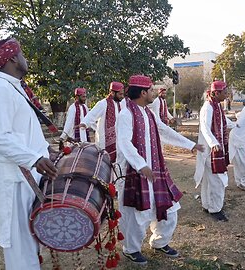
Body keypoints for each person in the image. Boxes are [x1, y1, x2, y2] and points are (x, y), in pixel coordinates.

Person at [0, 37, 58, 270]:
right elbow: (0, 137)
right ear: (13, 58)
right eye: (22, 54)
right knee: (19, 246)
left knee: (29, 240)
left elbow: (23, 132)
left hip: (26, 176)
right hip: (14, 180)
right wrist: (34, 158)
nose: (25, 59)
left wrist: (45, 149)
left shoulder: (13, 87)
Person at [115, 75, 204, 265]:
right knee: (138, 215)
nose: (155, 92)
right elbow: (124, 142)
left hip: (155, 170)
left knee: (169, 209)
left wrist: (190, 145)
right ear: (143, 92)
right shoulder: (126, 115)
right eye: (152, 89)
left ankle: (159, 242)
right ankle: (131, 249)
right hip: (135, 172)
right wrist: (141, 165)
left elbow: (163, 131)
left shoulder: (148, 113)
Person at [194, 80, 236, 222]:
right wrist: (213, 143)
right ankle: (215, 210)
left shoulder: (216, 105)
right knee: (217, 180)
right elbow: (205, 127)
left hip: (215, 148)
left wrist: (236, 124)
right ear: (216, 93)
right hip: (210, 150)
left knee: (210, 179)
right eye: (224, 92)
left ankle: (208, 205)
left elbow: (223, 122)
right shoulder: (208, 107)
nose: (226, 94)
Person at [79, 82, 124, 162]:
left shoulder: (120, 104)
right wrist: (84, 123)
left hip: (117, 140)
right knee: (103, 163)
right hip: (104, 142)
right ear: (112, 93)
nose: (122, 96)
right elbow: (92, 114)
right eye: (120, 94)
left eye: (122, 94)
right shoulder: (103, 104)